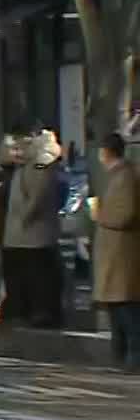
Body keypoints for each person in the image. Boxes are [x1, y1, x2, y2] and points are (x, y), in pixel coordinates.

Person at [2, 128, 69, 329]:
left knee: (38, 277)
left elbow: (38, 195)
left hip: (32, 234)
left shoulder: (41, 161)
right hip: (25, 234)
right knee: (32, 276)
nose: (14, 150)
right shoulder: (30, 160)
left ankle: (40, 314)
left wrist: (24, 218)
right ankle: (31, 311)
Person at [90, 132, 139, 370]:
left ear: (107, 152)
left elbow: (125, 213)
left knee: (126, 309)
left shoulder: (125, 177)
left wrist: (101, 215)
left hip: (121, 255)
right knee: (116, 309)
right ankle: (120, 356)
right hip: (113, 254)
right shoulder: (115, 176)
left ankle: (132, 356)